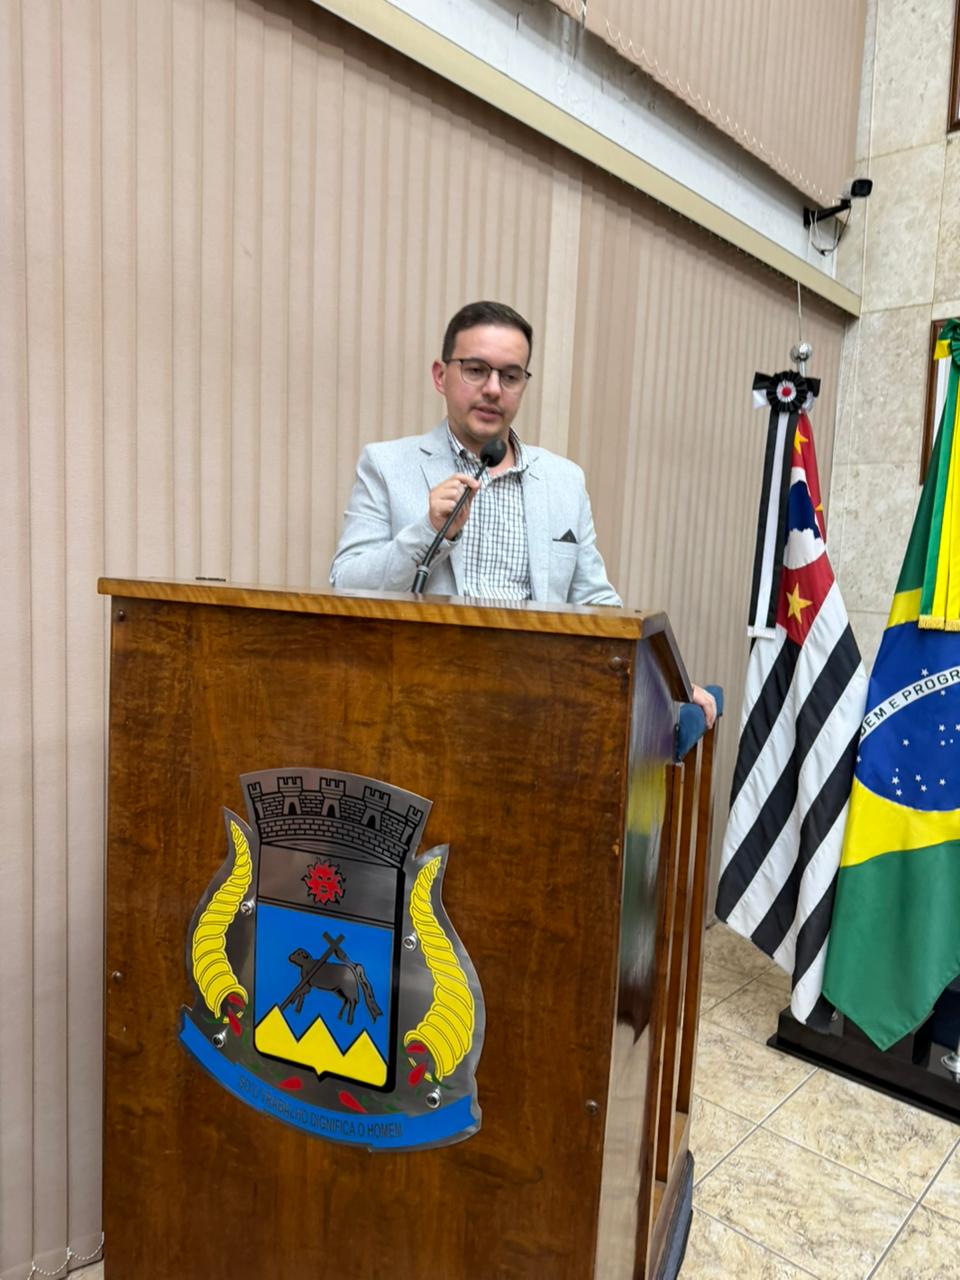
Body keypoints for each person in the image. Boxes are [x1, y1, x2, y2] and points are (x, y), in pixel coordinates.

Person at [330, 300, 716, 726]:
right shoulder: (387, 465)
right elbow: (346, 587)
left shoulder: (564, 480)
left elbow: (596, 604)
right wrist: (428, 530)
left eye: (510, 376)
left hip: (538, 710)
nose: (493, 389)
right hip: (423, 705)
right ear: (441, 376)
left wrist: (667, 684)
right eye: (476, 370)